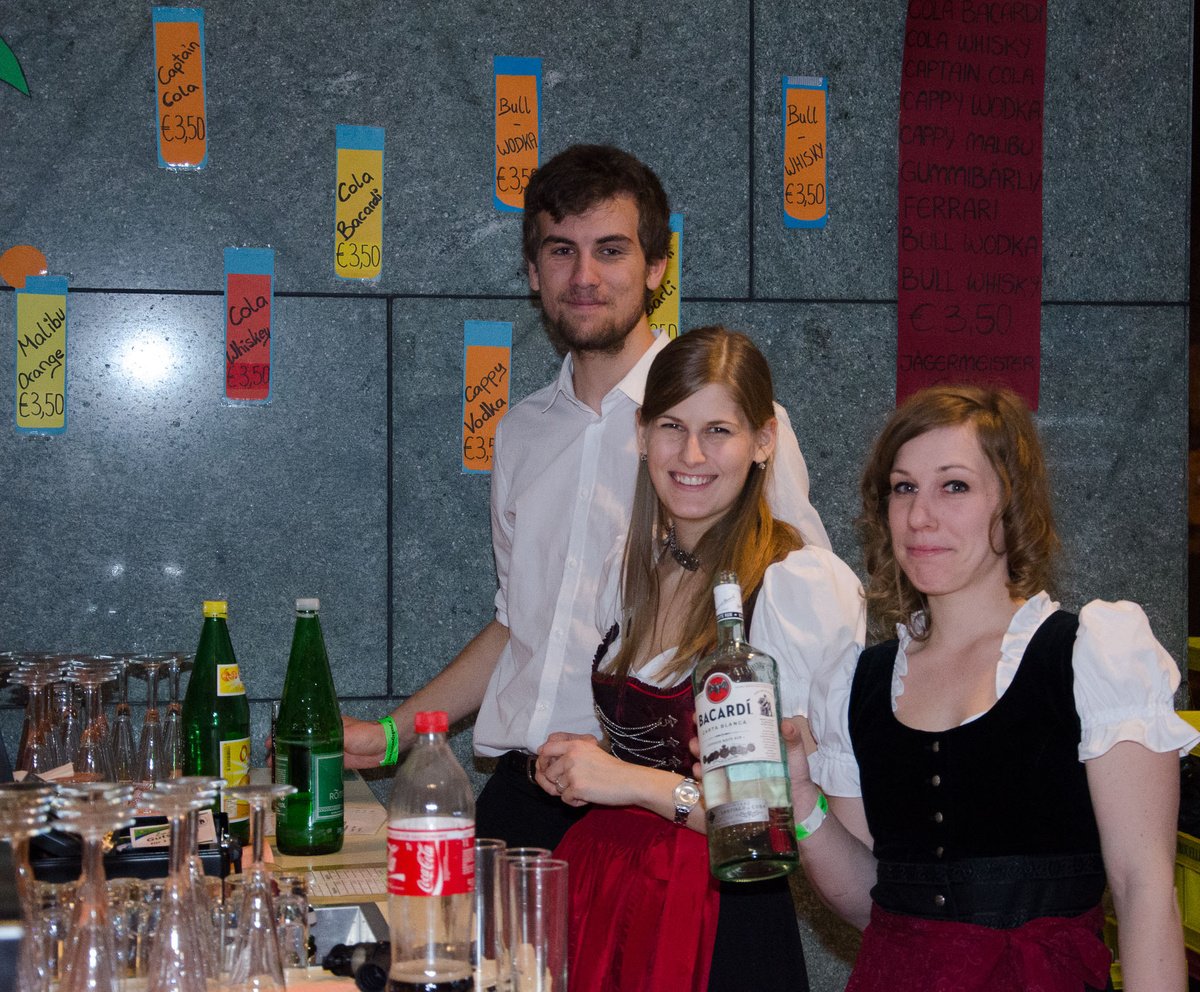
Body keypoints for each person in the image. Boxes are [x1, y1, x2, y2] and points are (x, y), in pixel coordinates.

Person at [341, 144, 830, 850]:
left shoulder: (730, 433)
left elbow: (793, 632)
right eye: (561, 251)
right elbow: (518, 624)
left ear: (656, 268)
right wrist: (392, 734)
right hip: (519, 798)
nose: (584, 276)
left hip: (661, 813)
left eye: (610, 250)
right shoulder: (521, 432)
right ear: (533, 272)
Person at [787, 384, 1198, 992]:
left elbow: (1144, 891)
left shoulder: (1092, 656)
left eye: (954, 486)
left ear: (1012, 502)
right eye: (904, 487)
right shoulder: (858, 683)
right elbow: (872, 902)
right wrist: (799, 797)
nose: (920, 516)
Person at [532, 326, 864, 992]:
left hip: (713, 915)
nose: (691, 454)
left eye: (719, 430)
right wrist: (583, 760)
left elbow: (778, 821)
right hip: (609, 892)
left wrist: (627, 781)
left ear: (763, 442)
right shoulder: (633, 567)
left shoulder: (792, 588)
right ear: (641, 434)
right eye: (671, 427)